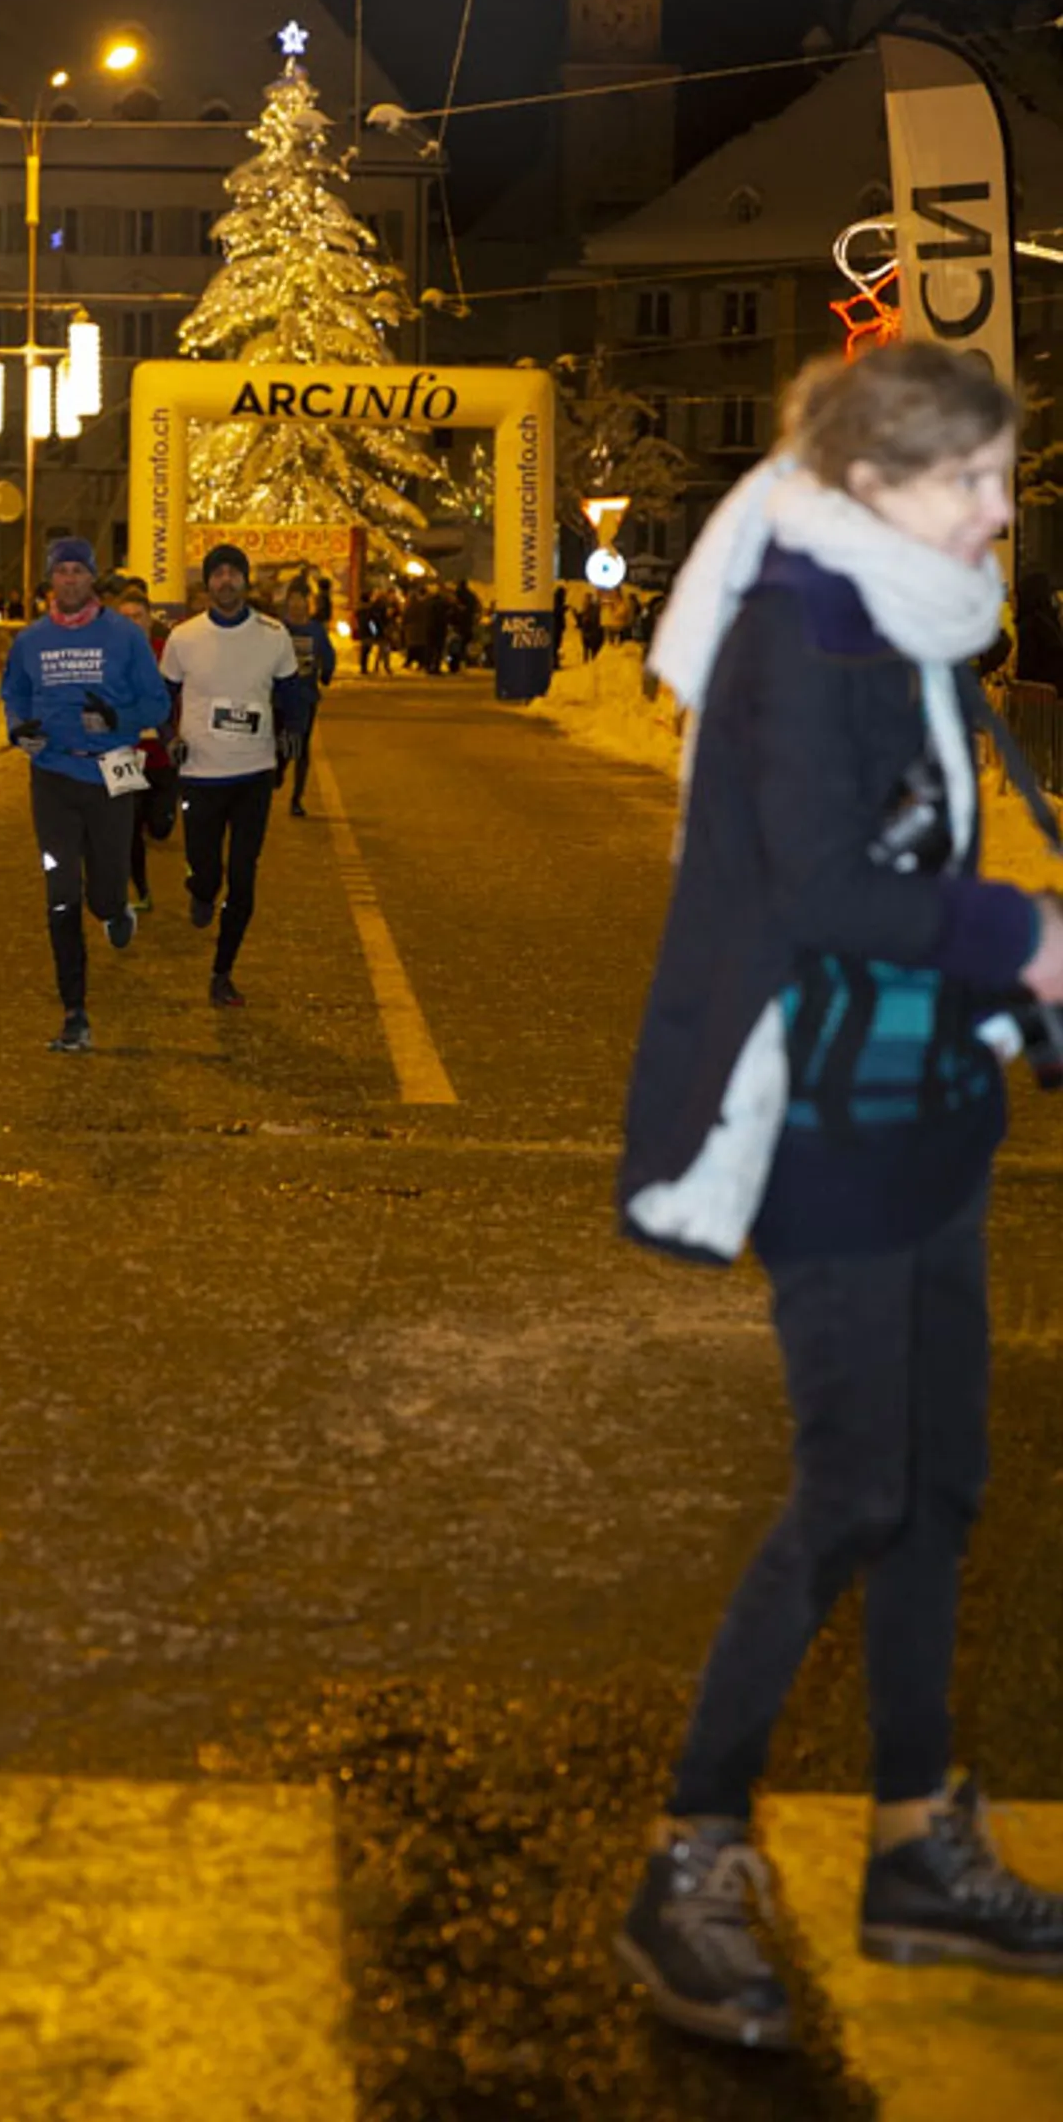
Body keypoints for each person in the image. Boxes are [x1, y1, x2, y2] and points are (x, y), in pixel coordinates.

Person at [613, 343, 1063, 2053]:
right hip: (822, 1126)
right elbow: (812, 885)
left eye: (1005, 476)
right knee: (856, 1487)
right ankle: (690, 1849)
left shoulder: (916, 615)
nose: (1001, 512)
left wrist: (1018, 1000)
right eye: (972, 480)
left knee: (940, 1486)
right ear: (873, 483)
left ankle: (915, 1842)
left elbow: (914, 860)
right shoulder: (801, 633)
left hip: (927, 1109)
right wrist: (1025, 938)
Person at [1, 536, 169, 1053]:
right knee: (61, 895)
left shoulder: (125, 636)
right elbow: (14, 695)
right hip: (53, 776)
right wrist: (19, 731)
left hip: (114, 770)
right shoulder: (31, 640)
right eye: (61, 571)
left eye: (78, 570)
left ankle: (116, 910)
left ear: (92, 578)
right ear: (51, 579)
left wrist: (119, 719)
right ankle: (74, 1011)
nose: (70, 579)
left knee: (104, 892)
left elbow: (158, 705)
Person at [163, 542, 301, 1005]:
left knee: (243, 877)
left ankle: (222, 971)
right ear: (207, 583)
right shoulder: (184, 638)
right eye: (218, 574)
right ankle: (201, 890)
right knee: (207, 872)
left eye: (233, 573)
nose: (226, 581)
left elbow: (290, 695)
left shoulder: (273, 635)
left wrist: (290, 736)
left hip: (253, 774)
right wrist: (168, 737)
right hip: (200, 774)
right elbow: (164, 696)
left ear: (245, 580)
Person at [113, 586, 177, 911]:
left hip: (162, 754)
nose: (132, 623)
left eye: (137, 616)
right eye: (125, 617)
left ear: (150, 619)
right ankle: (140, 890)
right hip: (122, 753)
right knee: (128, 827)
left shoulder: (168, 652)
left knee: (160, 826)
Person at [276, 575, 336, 816]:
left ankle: (297, 798)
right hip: (279, 697)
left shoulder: (315, 630)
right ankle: (279, 768)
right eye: (292, 599)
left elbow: (328, 654)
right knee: (281, 744)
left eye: (301, 599)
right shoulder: (279, 629)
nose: (296, 604)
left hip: (305, 697)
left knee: (301, 747)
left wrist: (326, 674)